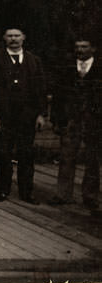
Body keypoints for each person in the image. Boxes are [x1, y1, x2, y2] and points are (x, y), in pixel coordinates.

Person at [0, 28, 48, 204]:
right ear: (5, 38)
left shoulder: (34, 61)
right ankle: (2, 190)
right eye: (10, 36)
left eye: (17, 36)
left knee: (26, 154)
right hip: (4, 117)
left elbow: (40, 90)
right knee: (3, 154)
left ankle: (26, 192)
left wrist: (40, 114)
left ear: (23, 38)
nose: (14, 39)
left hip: (27, 117)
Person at [49, 37, 100, 209]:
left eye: (84, 46)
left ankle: (90, 196)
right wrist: (56, 120)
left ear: (93, 49)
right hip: (71, 122)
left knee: (93, 160)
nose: (80, 50)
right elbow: (57, 97)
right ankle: (63, 194)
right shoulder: (66, 70)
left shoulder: (100, 69)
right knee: (66, 158)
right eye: (77, 46)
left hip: (95, 123)